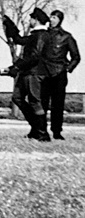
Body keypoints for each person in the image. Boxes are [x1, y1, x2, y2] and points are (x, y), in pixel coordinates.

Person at [5, 11, 52, 141]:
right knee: (17, 98)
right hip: (28, 72)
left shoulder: (41, 35)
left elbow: (35, 56)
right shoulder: (36, 35)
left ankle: (41, 133)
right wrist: (10, 26)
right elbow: (19, 40)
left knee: (35, 102)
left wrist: (17, 66)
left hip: (35, 73)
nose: (29, 21)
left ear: (35, 20)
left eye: (31, 18)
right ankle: (36, 129)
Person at [38, 10, 80, 140]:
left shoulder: (66, 37)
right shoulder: (43, 35)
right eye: (51, 17)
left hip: (59, 74)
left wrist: (68, 68)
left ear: (59, 19)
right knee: (42, 104)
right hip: (44, 73)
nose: (51, 20)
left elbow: (76, 56)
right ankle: (41, 130)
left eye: (54, 17)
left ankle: (57, 131)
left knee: (58, 105)